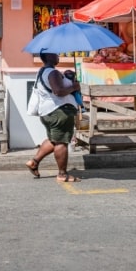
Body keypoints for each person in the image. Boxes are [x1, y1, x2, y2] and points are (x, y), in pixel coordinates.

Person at [25, 51, 83, 183]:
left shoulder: (42, 71)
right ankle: (62, 174)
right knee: (61, 142)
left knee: (53, 139)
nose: (58, 56)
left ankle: (34, 162)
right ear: (49, 56)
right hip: (59, 111)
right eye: (56, 54)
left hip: (48, 112)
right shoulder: (53, 72)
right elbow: (59, 91)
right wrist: (74, 86)